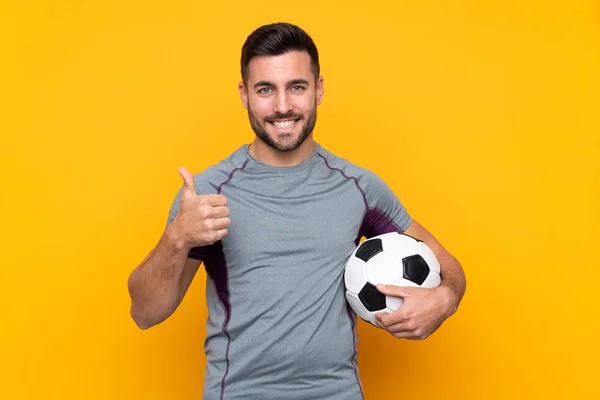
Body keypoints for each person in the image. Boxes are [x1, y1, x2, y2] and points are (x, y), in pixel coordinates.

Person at [127, 22, 466, 400]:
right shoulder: (206, 193)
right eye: (265, 89)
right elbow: (145, 313)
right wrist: (177, 237)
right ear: (244, 94)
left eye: (297, 87)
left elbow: (447, 265)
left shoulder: (359, 187)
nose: (283, 106)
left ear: (318, 89)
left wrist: (446, 297)